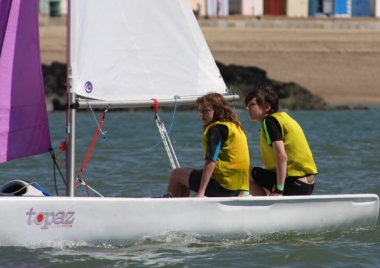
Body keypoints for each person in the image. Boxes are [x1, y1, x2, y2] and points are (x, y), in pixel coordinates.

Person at [166, 92, 250, 198]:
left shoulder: (215, 129)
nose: (201, 114)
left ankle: (169, 208)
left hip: (222, 187)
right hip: (238, 189)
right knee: (185, 173)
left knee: (176, 174)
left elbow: (210, 163)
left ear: (218, 110)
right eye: (200, 111)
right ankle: (183, 206)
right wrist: (244, 191)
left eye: (206, 110)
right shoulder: (236, 127)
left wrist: (201, 193)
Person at [245, 86, 317, 196]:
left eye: (252, 104)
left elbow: (281, 156)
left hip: (294, 184)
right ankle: (269, 198)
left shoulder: (269, 122)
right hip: (308, 185)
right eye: (247, 105)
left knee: (242, 171)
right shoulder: (283, 118)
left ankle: (263, 206)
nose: (247, 108)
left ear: (267, 107)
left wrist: (279, 190)